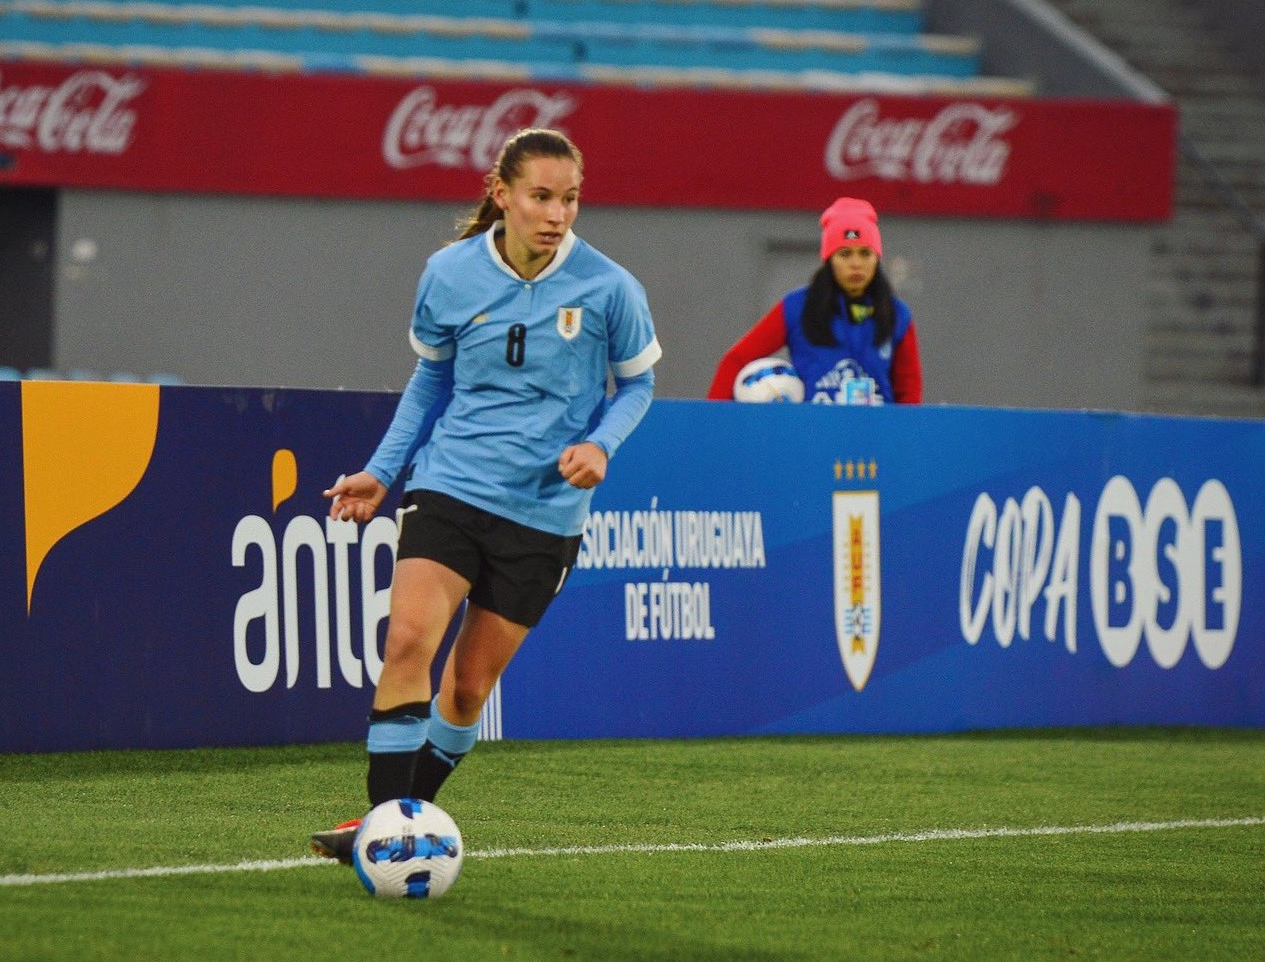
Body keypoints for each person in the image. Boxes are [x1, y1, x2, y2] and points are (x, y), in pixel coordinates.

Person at [310, 128, 663, 861]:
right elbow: (431, 380)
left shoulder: (610, 287)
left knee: (467, 693)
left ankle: (410, 816)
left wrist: (601, 444)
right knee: (408, 641)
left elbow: (638, 384)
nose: (557, 213)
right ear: (501, 195)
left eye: (569, 199)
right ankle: (384, 829)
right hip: (452, 486)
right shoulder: (447, 274)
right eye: (541, 196)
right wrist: (383, 469)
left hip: (544, 514)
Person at [707, 196, 922, 405]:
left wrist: (905, 437)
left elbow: (909, 391)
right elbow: (735, 360)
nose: (856, 264)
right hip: (812, 435)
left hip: (877, 436)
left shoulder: (897, 314)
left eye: (865, 253)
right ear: (829, 259)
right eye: (845, 254)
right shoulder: (797, 307)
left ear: (877, 258)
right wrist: (711, 427)